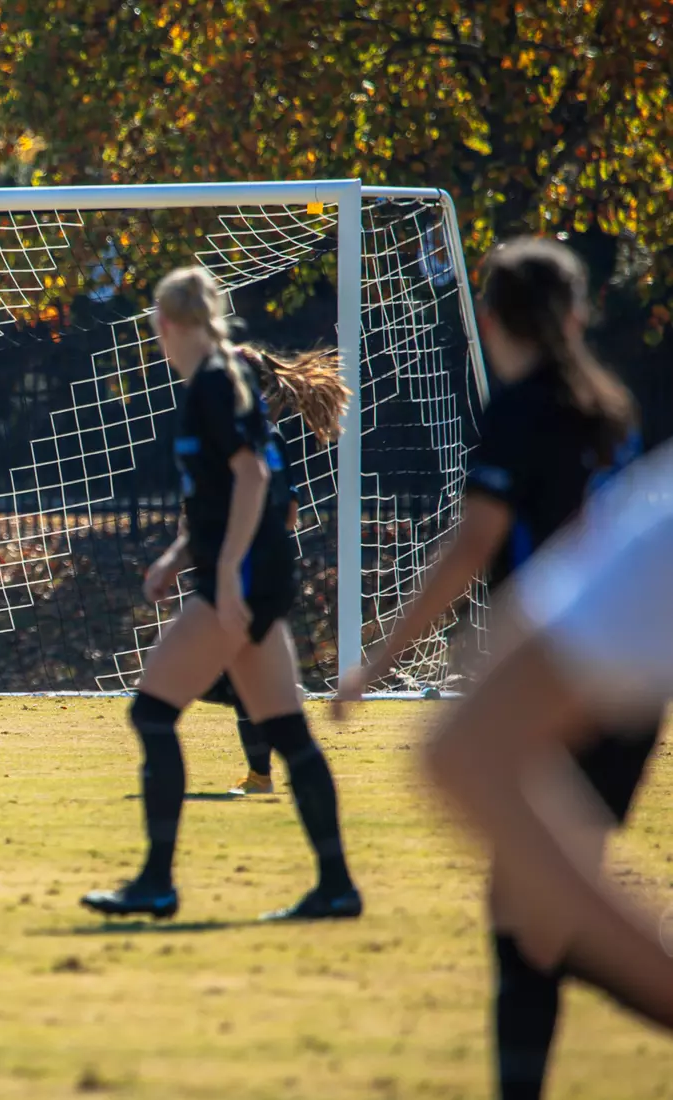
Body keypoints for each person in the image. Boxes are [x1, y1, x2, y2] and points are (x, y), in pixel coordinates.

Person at [336, 237, 659, 1097]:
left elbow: (473, 544)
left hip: (555, 691)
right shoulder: (612, 411)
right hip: (627, 698)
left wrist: (381, 658)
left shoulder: (521, 411)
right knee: (533, 914)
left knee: (540, 920)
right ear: (577, 315)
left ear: (488, 318)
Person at [82, 267, 361, 922]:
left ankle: (156, 882)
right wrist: (178, 557)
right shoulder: (221, 377)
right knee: (288, 732)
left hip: (244, 577)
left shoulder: (213, 381)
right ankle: (336, 886)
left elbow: (253, 477)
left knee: (151, 714)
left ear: (165, 324)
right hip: (254, 571)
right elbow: (225, 496)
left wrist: (228, 569)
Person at [426, 436, 673, 1041]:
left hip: (570, 681)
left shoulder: (653, 519)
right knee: (530, 920)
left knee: (527, 922)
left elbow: (464, 751)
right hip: (588, 688)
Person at [209, 345, 348, 797]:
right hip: (255, 566)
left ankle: (270, 763)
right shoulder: (250, 435)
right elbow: (288, 511)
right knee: (237, 673)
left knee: (225, 676)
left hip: (253, 569)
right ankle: (267, 766)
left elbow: (279, 509)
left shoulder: (253, 438)